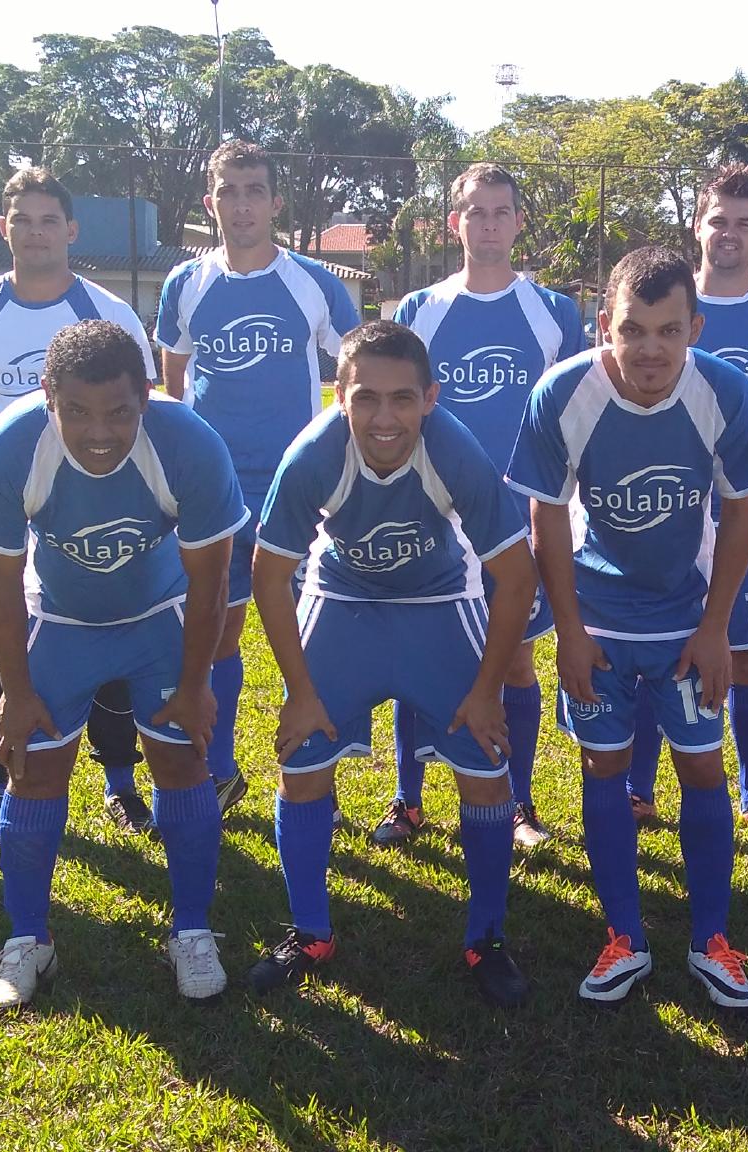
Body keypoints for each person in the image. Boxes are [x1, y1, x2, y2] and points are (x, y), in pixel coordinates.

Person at [508, 247, 748, 1008]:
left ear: (695, 329)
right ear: (605, 326)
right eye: (633, 329)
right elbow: (546, 514)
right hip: (598, 620)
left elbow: (742, 510)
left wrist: (716, 629)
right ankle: (623, 935)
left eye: (668, 330)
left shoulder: (724, 391)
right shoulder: (565, 392)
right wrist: (569, 630)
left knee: (702, 769)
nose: (650, 349)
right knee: (604, 768)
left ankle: (711, 939)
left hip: (686, 619)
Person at [0, 320, 247, 1010]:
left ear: (145, 394)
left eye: (119, 412)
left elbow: (211, 584)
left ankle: (192, 929)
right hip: (59, 622)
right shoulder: (4, 449)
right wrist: (15, 692)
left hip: (159, 618)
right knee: (33, 768)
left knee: (182, 762)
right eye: (77, 411)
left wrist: (197, 684)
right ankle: (29, 939)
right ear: (46, 393)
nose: (99, 433)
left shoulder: (189, 444)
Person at [247, 320, 537, 1006]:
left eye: (403, 398)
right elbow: (268, 575)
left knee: (486, 771)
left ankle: (486, 937)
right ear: (339, 395)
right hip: (344, 601)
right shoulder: (312, 455)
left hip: (437, 603)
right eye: (366, 398)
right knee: (301, 762)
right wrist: (299, 693)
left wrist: (487, 692)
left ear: (430, 397)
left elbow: (518, 578)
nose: (385, 418)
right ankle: (310, 932)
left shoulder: (455, 452)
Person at [0, 167, 160, 843]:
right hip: (8, 514)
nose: (36, 233)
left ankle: (121, 782)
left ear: (71, 230)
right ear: (3, 229)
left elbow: (141, 410)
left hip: (98, 508)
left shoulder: (107, 312)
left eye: (49, 220)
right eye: (23, 220)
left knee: (110, 637)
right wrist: (11, 480)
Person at [155, 140, 360, 815]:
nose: (241, 205)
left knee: (312, 633)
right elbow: (174, 382)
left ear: (276, 203)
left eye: (254, 191)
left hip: (296, 492)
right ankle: (219, 771)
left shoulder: (314, 284)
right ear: (210, 202)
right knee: (217, 628)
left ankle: (317, 774)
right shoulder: (185, 284)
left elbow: (358, 370)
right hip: (216, 492)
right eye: (229, 192)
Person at [388, 162, 586, 849]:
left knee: (515, 662)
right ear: (456, 223)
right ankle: (408, 800)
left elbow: (575, 409)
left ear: (520, 222)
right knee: (418, 654)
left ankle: (519, 801)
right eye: (477, 212)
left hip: (518, 517)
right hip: (433, 513)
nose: (490, 224)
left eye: (502, 212)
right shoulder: (421, 309)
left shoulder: (554, 312)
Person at [622, 163, 748, 845]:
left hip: (743, 520)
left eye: (744, 222)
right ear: (697, 227)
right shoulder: (662, 301)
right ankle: (638, 791)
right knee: (648, 652)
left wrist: (743, 485)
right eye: (718, 220)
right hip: (656, 514)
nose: (729, 233)